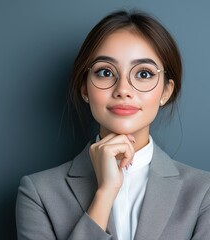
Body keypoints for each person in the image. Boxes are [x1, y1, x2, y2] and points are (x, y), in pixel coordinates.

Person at [15, 9, 210, 240]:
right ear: (84, 88)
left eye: (144, 74)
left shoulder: (203, 192)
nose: (123, 90)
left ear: (166, 91)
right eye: (105, 72)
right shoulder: (38, 192)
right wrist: (105, 193)